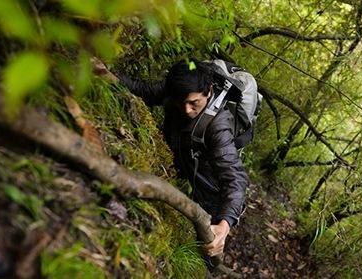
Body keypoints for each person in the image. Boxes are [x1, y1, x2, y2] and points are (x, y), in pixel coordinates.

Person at [92, 58, 250, 258]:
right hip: (178, 154)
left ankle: (208, 263)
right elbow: (143, 91)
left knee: (211, 223)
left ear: (209, 91)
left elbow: (235, 178)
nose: (186, 110)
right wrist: (108, 75)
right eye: (181, 102)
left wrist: (224, 225)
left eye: (194, 103)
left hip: (207, 171)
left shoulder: (218, 126)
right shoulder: (176, 88)